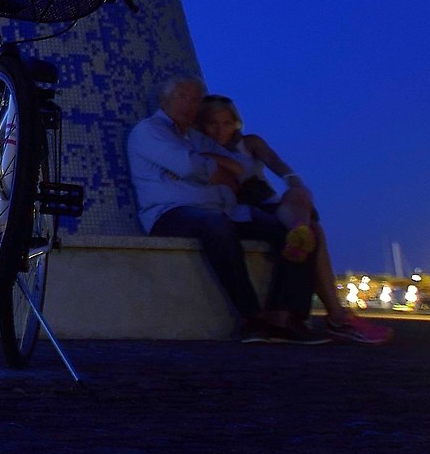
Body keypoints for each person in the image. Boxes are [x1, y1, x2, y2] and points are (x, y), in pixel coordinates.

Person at [128, 76, 320, 341]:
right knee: (216, 224)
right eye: (182, 96)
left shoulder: (196, 139)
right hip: (170, 213)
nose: (189, 104)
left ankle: (286, 315)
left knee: (298, 231)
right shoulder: (149, 131)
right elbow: (188, 167)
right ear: (165, 100)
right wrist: (211, 170)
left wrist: (206, 163)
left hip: (223, 210)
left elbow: (239, 169)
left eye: (195, 99)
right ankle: (252, 317)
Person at [198, 96, 390, 345]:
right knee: (314, 234)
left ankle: (299, 231)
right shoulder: (201, 149)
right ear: (202, 125)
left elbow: (276, 163)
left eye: (226, 123)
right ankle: (332, 316)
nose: (220, 129)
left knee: (299, 204)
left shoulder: (249, 143)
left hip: (269, 203)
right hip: (240, 210)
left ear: (236, 123)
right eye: (213, 123)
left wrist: (293, 179)